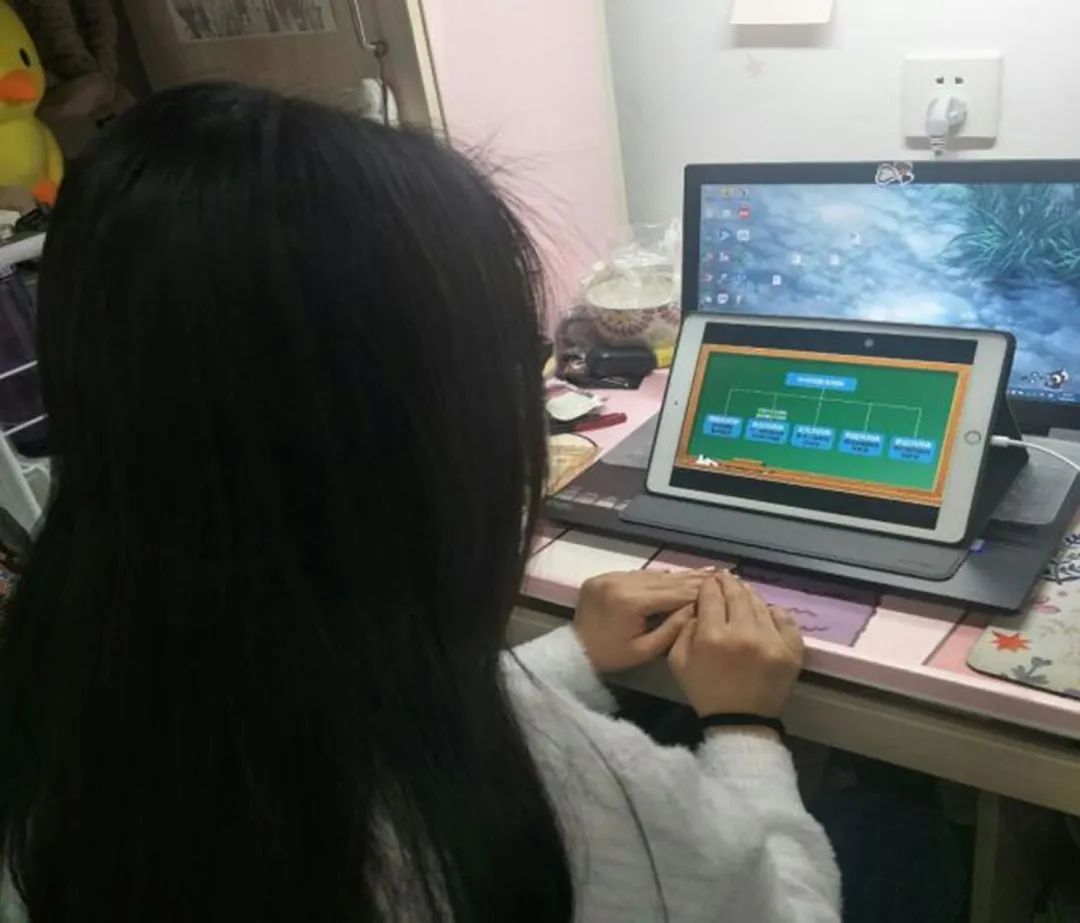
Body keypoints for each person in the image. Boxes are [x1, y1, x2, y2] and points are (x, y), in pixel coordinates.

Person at [0, 83, 839, 922]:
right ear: (428, 443)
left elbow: (373, 714)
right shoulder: (595, 796)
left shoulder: (72, 697)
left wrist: (570, 656)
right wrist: (745, 727)